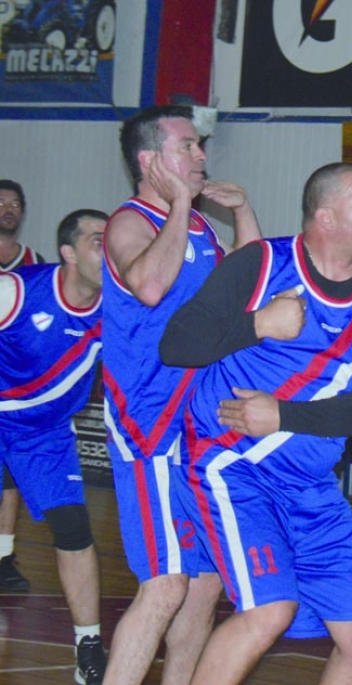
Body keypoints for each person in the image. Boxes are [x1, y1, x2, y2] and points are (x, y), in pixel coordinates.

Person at [158, 161, 352, 685]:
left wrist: (283, 416)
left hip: (309, 484)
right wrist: (259, 324)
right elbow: (177, 344)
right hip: (229, 466)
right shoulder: (260, 264)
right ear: (326, 217)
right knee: (269, 610)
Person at [101, 104, 262, 685]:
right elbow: (149, 285)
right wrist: (178, 206)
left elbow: (248, 286)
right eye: (187, 146)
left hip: (200, 422)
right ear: (150, 161)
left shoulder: (199, 229)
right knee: (166, 585)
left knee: (204, 586)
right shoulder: (129, 223)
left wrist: (242, 212)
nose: (200, 155)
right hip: (150, 422)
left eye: (200, 146)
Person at [0, 209, 108, 684]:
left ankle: (89, 646)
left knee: (74, 528)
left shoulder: (119, 308)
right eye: (98, 241)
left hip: (44, 435)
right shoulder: (16, 291)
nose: (111, 250)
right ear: (68, 253)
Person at [0, 178, 45, 594]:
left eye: (15, 203)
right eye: (1, 202)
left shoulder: (34, 263)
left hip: (13, 390)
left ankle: (3, 557)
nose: (9, 209)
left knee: (10, 478)